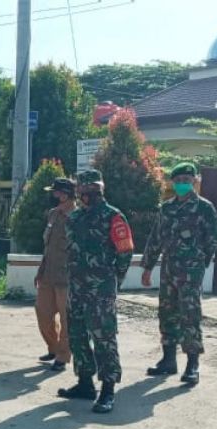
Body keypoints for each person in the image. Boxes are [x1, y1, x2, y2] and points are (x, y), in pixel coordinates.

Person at [58, 169, 134, 414]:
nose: (88, 194)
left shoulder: (113, 216)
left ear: (100, 190)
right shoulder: (75, 217)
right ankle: (85, 383)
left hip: (100, 289)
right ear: (78, 191)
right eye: (84, 190)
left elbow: (125, 252)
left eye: (93, 190)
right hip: (77, 288)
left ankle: (108, 389)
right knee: (78, 336)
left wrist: (113, 281)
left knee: (104, 338)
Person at [141, 162, 217, 386]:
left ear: (195, 182)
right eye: (178, 182)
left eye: (187, 181)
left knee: (190, 314)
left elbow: (214, 237)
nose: (182, 185)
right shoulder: (166, 208)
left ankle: (192, 365)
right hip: (168, 269)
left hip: (191, 270)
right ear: (172, 183)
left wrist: (200, 260)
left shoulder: (205, 208)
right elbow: (155, 238)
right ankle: (168, 360)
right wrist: (147, 267)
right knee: (167, 312)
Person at [34, 177, 76, 372]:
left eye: (56, 192)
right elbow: (48, 246)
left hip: (67, 278)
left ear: (65, 194)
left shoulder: (77, 217)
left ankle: (63, 355)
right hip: (48, 274)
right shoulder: (53, 214)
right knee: (43, 313)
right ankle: (53, 347)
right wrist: (40, 270)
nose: (53, 195)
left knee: (67, 319)